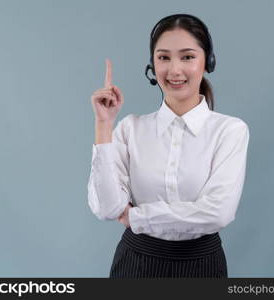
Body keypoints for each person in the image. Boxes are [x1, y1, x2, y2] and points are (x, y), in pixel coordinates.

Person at [88, 14, 250, 278]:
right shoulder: (130, 128)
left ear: (207, 62)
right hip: (135, 265)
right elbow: (107, 207)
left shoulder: (229, 131)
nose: (174, 70)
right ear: (152, 65)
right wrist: (103, 125)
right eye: (164, 58)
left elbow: (218, 212)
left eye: (187, 57)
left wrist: (137, 218)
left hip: (202, 266)